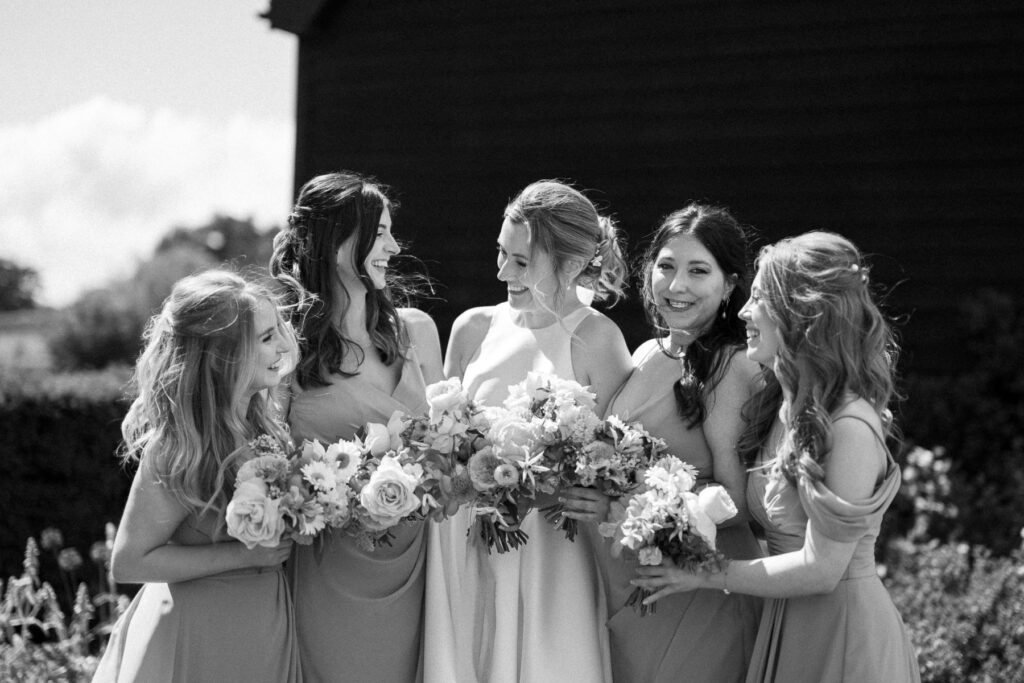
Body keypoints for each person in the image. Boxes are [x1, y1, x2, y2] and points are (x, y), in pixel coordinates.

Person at [633, 231, 921, 682]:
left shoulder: (848, 425)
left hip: (844, 634)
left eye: (759, 299)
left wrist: (707, 573)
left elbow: (822, 570)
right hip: (786, 622)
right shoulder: (780, 407)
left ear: (802, 310)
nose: (744, 311)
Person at [424, 180, 633, 683]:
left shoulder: (598, 339)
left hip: (554, 559)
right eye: (501, 254)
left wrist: (551, 483)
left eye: (521, 262)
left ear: (572, 263)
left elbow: (616, 466)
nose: (501, 272)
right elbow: (439, 444)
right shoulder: (473, 327)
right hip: (467, 549)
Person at [269, 171, 444, 683]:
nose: (392, 245)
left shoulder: (417, 332)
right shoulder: (284, 340)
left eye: (390, 231)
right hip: (327, 563)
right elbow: (266, 454)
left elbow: (444, 444)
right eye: (379, 232)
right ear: (334, 240)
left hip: (418, 559)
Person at [93, 270, 301, 683]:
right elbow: (129, 561)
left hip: (262, 628)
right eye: (265, 338)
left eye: (278, 330)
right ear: (223, 358)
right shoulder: (180, 447)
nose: (283, 345)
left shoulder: (268, 427)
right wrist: (242, 556)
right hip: (196, 636)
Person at [600, 204, 764, 682]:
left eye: (698, 271)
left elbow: (737, 500)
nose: (676, 286)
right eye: (666, 266)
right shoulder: (650, 351)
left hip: (699, 584)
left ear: (730, 285)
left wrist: (644, 509)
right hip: (638, 578)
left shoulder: (730, 366)